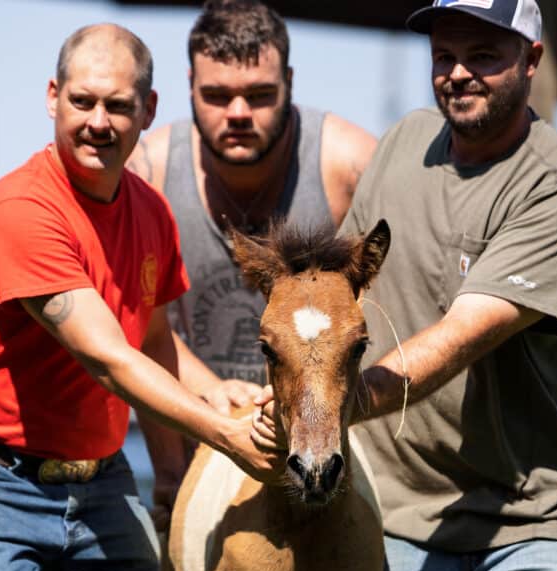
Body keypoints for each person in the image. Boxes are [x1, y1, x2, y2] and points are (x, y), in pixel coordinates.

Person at [252, 1, 557, 571]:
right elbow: (337, 295)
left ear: (531, 61)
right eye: (444, 55)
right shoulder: (402, 144)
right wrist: (292, 384)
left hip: (536, 517)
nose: (457, 73)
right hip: (402, 508)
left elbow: (462, 334)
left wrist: (336, 404)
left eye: (484, 55)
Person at [0, 24, 283, 571]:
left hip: (100, 481)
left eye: (118, 105)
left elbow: (147, 334)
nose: (98, 121)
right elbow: (108, 357)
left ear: (147, 110)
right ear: (53, 97)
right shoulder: (22, 209)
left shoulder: (149, 211)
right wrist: (224, 431)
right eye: (83, 101)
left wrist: (212, 396)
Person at [127, 0, 376, 411]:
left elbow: (393, 313)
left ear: (290, 83)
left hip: (318, 445)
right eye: (217, 96)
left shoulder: (351, 167)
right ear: (190, 85)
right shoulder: (147, 175)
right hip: (194, 438)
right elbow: (135, 326)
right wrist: (176, 466)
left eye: (259, 95)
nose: (238, 113)